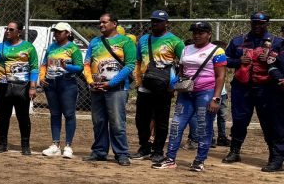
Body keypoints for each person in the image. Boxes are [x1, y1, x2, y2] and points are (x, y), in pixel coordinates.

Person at [153, 22, 227, 172]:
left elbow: (220, 76)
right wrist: (176, 85)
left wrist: (216, 98)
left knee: (203, 127)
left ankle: (199, 161)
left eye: (201, 32)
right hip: (186, 93)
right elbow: (182, 70)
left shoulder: (217, 51)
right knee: (176, 125)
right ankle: (170, 159)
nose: (197, 35)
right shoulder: (186, 49)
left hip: (205, 92)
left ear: (209, 34)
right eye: (194, 32)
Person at [223, 11, 284, 171]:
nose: (257, 26)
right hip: (242, 87)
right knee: (239, 120)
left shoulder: (277, 42)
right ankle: (235, 150)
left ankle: (275, 157)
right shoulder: (238, 40)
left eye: (261, 23)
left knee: (270, 123)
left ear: (267, 24)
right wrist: (238, 61)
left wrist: (272, 59)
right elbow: (224, 59)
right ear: (250, 23)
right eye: (255, 23)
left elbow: (282, 63)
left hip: (268, 89)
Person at [82, 12, 137, 166]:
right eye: (100, 22)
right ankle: (99, 151)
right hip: (96, 88)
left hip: (117, 89)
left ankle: (121, 153)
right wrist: (90, 81)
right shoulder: (94, 42)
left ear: (114, 23)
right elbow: (86, 64)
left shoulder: (125, 42)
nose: (101, 25)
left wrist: (112, 83)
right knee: (98, 121)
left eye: (105, 22)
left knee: (117, 123)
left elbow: (130, 65)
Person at [132, 10, 184, 163]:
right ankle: (144, 147)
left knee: (161, 119)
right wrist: (138, 81)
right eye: (153, 21)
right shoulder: (143, 40)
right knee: (141, 119)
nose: (155, 24)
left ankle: (158, 150)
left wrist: (174, 85)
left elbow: (183, 64)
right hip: (145, 85)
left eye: (159, 21)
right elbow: (138, 61)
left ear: (166, 23)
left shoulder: (175, 41)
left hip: (164, 86)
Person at [0, 21, 39, 155]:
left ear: (19, 32)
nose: (7, 32)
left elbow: (34, 68)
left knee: (23, 116)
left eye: (11, 30)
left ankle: (25, 145)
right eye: (7, 29)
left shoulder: (29, 47)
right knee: (3, 116)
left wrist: (32, 87)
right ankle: (2, 143)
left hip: (22, 86)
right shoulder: (0, 47)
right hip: (3, 86)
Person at [38, 22, 83, 158]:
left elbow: (79, 67)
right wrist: (41, 77)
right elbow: (44, 64)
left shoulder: (73, 48)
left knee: (69, 114)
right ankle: (55, 145)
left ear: (68, 33)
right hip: (51, 84)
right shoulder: (51, 47)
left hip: (67, 83)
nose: (57, 34)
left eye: (60, 31)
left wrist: (67, 67)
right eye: (55, 31)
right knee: (55, 114)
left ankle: (68, 146)